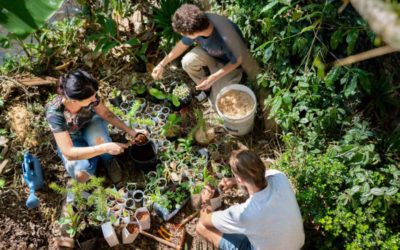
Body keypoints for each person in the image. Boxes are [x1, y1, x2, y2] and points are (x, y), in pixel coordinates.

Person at [45, 70, 147, 183]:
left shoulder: (88, 91)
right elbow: (68, 152)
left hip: (91, 124)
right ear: (74, 100)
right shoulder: (54, 112)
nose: (95, 100)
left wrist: (130, 131)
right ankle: (96, 157)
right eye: (90, 100)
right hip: (72, 139)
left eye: (94, 96)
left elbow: (105, 113)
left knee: (98, 139)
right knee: (81, 176)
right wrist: (105, 148)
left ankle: (108, 160)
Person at [196, 150, 305, 250]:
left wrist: (206, 201)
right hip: (296, 245)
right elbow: (262, 175)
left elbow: (205, 220)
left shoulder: (244, 213)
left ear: (241, 179)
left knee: (200, 227)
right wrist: (234, 180)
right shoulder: (279, 177)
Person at [152, 4, 248, 105]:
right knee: (187, 62)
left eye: (184, 34)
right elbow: (181, 45)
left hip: (230, 64)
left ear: (193, 34)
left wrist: (213, 77)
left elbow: (239, 59)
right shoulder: (198, 22)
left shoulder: (227, 35)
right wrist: (162, 64)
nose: (182, 36)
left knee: (219, 101)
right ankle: (206, 86)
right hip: (211, 54)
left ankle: (213, 82)